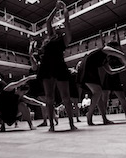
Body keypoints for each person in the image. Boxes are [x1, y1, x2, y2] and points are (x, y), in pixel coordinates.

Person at [37, 1, 77, 131]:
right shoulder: (50, 36)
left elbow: (67, 21)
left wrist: (65, 8)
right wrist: (55, 8)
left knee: (66, 97)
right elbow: (48, 21)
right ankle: (52, 126)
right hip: (46, 66)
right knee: (49, 98)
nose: (58, 26)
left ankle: (71, 124)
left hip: (59, 66)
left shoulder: (65, 39)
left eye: (61, 26)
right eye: (58, 26)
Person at [78, 43, 126, 125]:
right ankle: (89, 114)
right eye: (117, 48)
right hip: (87, 66)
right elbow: (122, 55)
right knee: (98, 91)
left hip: (92, 69)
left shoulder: (105, 59)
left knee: (98, 95)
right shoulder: (106, 49)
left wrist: (124, 68)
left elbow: (111, 71)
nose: (117, 50)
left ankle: (104, 119)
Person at [0, 55, 44, 132]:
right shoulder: (8, 88)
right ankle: (2, 124)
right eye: (23, 92)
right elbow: (18, 83)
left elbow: (31, 100)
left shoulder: (20, 96)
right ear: (19, 89)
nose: (23, 95)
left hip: (12, 115)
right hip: (3, 114)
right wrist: (29, 78)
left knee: (23, 105)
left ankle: (30, 125)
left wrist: (43, 104)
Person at [102, 41, 126, 120]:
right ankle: (104, 117)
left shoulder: (118, 56)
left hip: (115, 77)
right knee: (105, 99)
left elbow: (125, 65)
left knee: (122, 98)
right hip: (108, 77)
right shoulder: (106, 55)